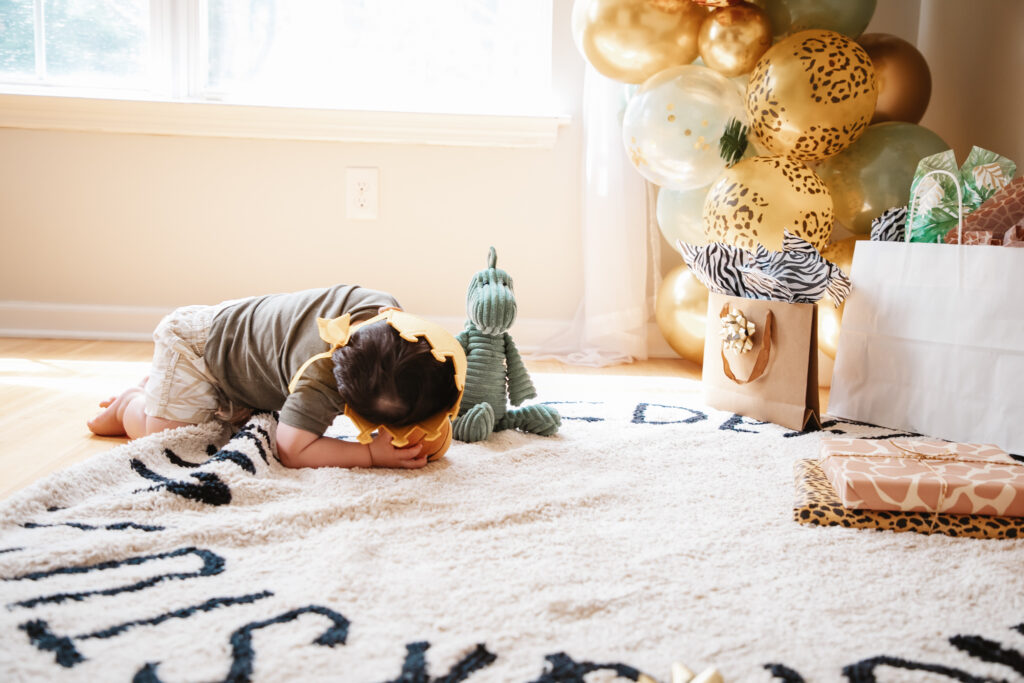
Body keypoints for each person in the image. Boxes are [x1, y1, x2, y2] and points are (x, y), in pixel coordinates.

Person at [87, 284, 465, 469]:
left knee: (224, 420)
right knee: (171, 437)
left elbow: (416, 370)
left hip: (241, 336)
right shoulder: (319, 376)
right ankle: (131, 405)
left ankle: (160, 386)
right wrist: (368, 454)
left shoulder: (383, 310)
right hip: (199, 349)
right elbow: (290, 447)